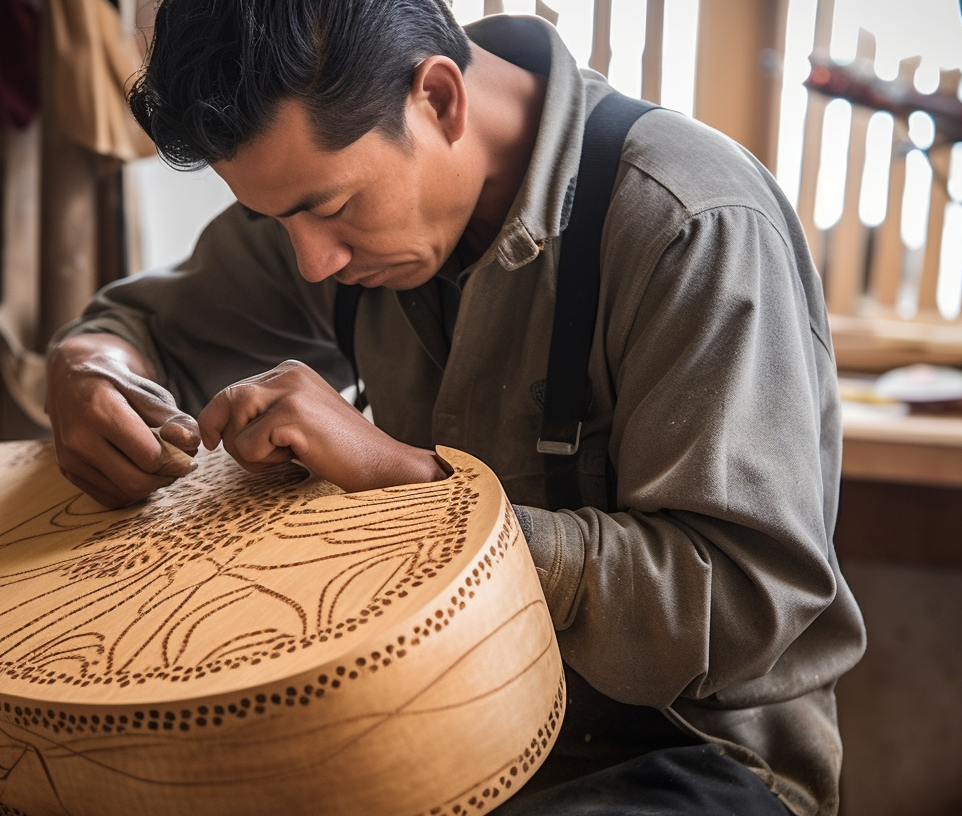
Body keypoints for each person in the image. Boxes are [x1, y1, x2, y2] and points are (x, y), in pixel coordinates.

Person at [45, 2, 866, 814]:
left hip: (680, 758)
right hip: (425, 722)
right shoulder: (328, 191)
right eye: (277, 218)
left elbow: (741, 602)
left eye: (329, 209)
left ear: (439, 99)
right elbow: (137, 326)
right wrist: (91, 371)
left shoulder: (689, 221)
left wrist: (410, 486)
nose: (314, 261)